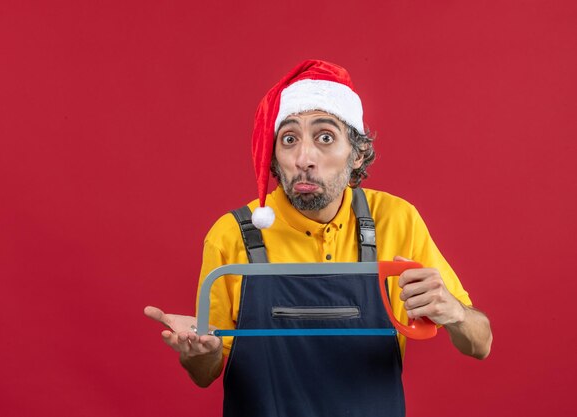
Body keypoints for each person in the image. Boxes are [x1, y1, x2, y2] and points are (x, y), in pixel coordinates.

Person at [144, 60, 492, 417]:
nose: (304, 157)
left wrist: (455, 314)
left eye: (325, 137)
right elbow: (205, 375)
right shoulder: (232, 234)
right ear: (275, 157)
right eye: (289, 139)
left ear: (356, 154)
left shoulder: (397, 220)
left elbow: (481, 343)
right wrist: (201, 353)